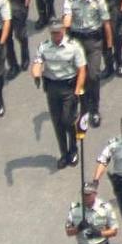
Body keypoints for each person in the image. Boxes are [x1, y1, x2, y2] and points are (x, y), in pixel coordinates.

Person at [31, 18, 86, 168]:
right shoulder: (44, 47)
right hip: (52, 87)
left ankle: (73, 148)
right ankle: (64, 153)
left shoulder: (73, 47)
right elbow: (37, 63)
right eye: (53, 33)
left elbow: (81, 70)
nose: (56, 36)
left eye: (58, 32)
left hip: (69, 87)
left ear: (63, 31)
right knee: (57, 123)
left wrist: (77, 90)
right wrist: (36, 74)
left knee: (67, 120)